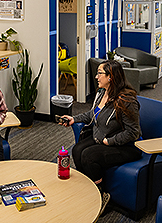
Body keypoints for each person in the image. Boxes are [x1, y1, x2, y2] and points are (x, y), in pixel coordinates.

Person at [59, 60, 142, 215]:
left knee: (89, 156)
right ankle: (88, 190)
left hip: (124, 146)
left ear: (110, 76)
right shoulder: (102, 93)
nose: (96, 76)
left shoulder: (126, 100)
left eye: (100, 73)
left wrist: (109, 141)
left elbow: (133, 132)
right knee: (77, 150)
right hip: (102, 138)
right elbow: (92, 114)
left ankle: (100, 195)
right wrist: (73, 119)